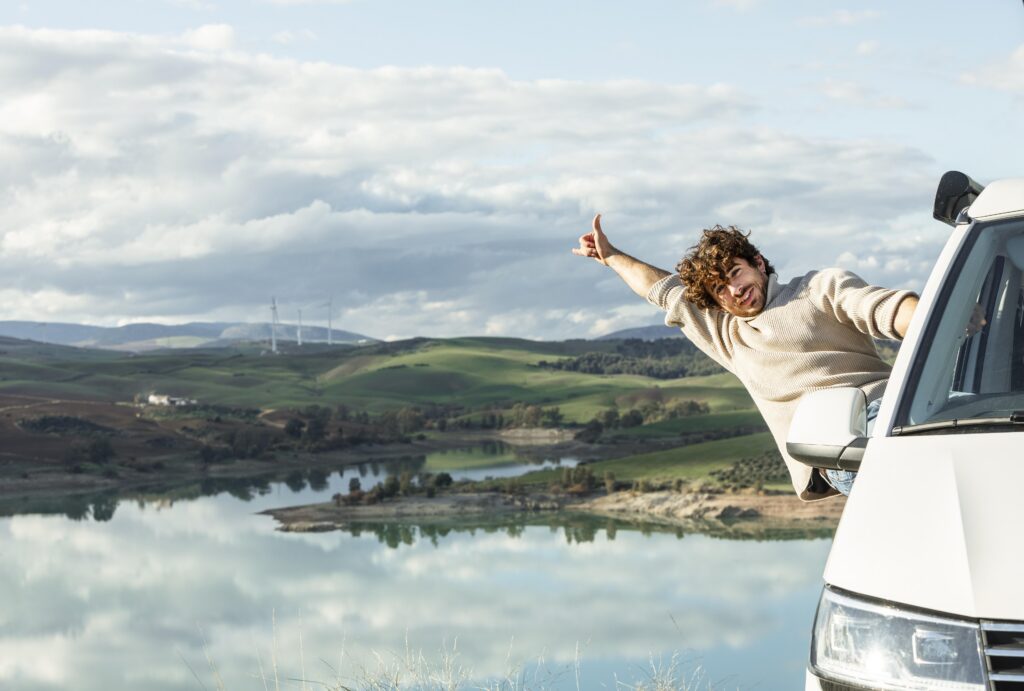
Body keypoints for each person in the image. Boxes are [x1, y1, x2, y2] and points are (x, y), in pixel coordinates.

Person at [572, 214, 918, 500]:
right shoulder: (727, 336)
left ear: (758, 263)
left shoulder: (816, 289)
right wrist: (610, 255)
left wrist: (937, 320)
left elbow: (886, 309)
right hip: (839, 444)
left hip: (896, 409)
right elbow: (661, 290)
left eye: (735, 273)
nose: (734, 290)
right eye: (719, 289)